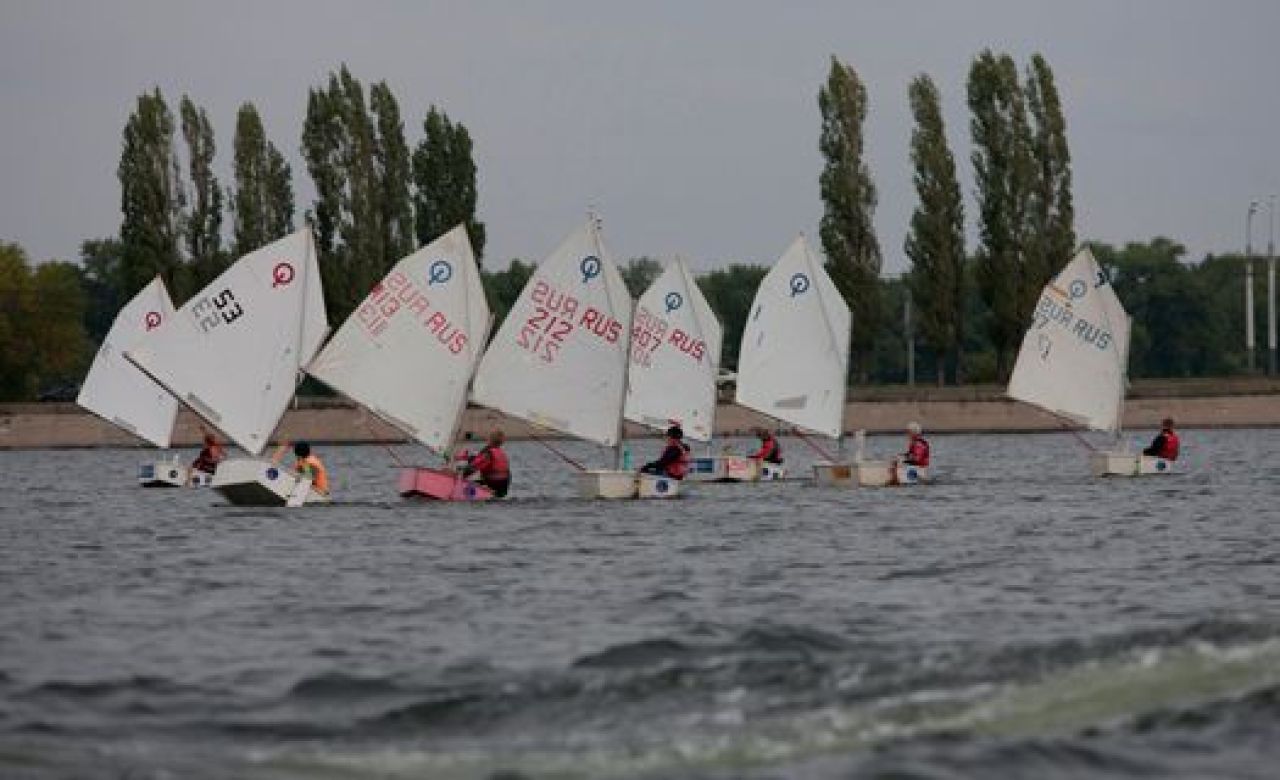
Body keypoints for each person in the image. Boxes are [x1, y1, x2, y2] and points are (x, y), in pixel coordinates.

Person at [461, 430, 511, 497]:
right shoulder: (502, 453)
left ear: (489, 439)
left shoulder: (488, 452)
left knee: (465, 486)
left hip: (492, 484)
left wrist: (462, 476)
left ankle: (487, 491)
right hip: (503, 487)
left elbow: (475, 466)